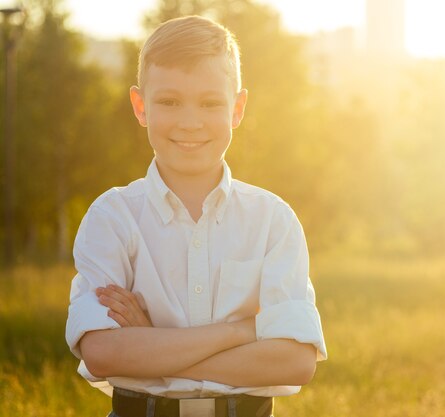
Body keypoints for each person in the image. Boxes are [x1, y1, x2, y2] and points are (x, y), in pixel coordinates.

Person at [65, 15, 327, 417]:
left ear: (238, 108)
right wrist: (243, 331)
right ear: (140, 106)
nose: (190, 121)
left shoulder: (273, 220)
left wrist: (151, 344)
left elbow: (294, 361)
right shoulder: (112, 218)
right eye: (169, 102)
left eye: (210, 103)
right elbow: (103, 352)